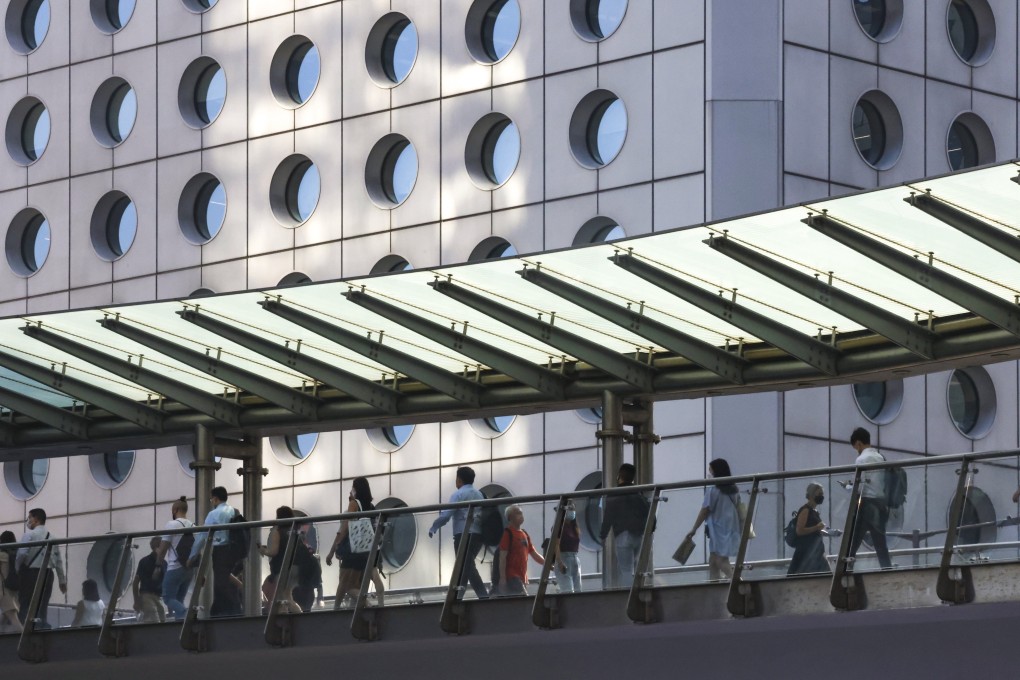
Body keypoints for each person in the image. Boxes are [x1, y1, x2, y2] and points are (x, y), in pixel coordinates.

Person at [428, 466, 488, 600]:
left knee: (466, 565)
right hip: (478, 536)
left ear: (459, 480)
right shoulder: (479, 494)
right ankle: (458, 596)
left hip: (463, 535)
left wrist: (434, 527)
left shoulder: (458, 494)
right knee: (465, 566)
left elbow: (447, 515)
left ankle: (483, 597)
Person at [189, 486, 243, 617]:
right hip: (235, 551)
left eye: (211, 499)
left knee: (221, 583)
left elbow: (202, 536)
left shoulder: (213, 514)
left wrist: (192, 555)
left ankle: (224, 612)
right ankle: (228, 610)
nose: (211, 501)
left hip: (221, 550)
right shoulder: (234, 511)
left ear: (215, 499)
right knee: (226, 581)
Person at [326, 477, 379, 608]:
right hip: (366, 551)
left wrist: (336, 546)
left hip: (353, 550)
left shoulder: (354, 504)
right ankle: (343, 608)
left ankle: (365, 604)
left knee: (346, 585)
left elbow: (345, 526)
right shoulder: (371, 507)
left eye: (353, 487)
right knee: (354, 584)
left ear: (356, 489)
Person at [686, 459, 741, 580]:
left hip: (718, 529)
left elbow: (705, 510)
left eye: (710, 470)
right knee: (713, 560)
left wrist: (694, 529)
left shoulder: (713, 490)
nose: (709, 473)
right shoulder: (734, 490)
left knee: (720, 560)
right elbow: (738, 507)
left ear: (717, 472)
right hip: (731, 528)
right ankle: (715, 585)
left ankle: (737, 583)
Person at [848, 427, 892, 570]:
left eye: (856, 447)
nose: (857, 450)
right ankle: (887, 569)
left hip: (866, 503)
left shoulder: (861, 459)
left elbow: (859, 485)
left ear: (859, 443)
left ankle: (847, 570)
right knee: (880, 543)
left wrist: (849, 488)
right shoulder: (881, 457)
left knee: (853, 541)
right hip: (880, 504)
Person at [599, 463, 650, 585]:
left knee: (626, 570)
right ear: (633, 477)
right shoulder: (638, 493)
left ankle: (629, 595)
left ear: (619, 476)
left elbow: (608, 517)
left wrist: (603, 535)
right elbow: (648, 512)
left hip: (622, 535)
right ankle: (639, 590)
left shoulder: (614, 494)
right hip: (639, 535)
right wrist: (651, 528)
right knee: (636, 568)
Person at [16, 508, 66, 627]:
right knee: (42, 603)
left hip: (30, 573)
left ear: (36, 519)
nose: (28, 521)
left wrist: (17, 568)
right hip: (48, 574)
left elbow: (22, 554)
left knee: (25, 603)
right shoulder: (52, 537)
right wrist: (62, 580)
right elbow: (58, 561)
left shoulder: (29, 535)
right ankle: (41, 627)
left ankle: (23, 629)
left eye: (29, 518)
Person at [157, 496, 194, 620]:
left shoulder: (171, 524)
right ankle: (181, 623)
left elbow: (162, 549)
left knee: (167, 597)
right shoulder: (193, 525)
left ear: (175, 510)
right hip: (189, 569)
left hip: (174, 567)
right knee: (179, 599)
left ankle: (185, 613)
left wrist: (158, 565)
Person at [495, 505, 545, 596]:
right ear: (510, 517)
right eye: (518, 513)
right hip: (512, 577)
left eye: (521, 512)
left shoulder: (524, 534)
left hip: (522, 578)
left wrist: (549, 564)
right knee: (524, 600)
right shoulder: (508, 533)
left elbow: (534, 553)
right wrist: (502, 578)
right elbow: (502, 558)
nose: (521, 515)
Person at [259, 505, 300, 614]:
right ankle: (285, 620)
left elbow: (273, 552)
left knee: (285, 596)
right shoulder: (294, 530)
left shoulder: (278, 531)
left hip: (283, 568)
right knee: (285, 596)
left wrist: (263, 551)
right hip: (296, 567)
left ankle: (301, 618)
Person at [787, 483, 830, 575]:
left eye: (822, 494)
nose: (821, 496)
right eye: (819, 494)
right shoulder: (805, 510)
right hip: (807, 552)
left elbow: (813, 531)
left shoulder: (814, 511)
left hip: (815, 550)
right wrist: (817, 527)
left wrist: (826, 532)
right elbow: (800, 531)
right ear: (811, 495)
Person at [133, 536, 166, 623]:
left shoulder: (163, 563)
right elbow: (136, 582)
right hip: (147, 595)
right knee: (153, 620)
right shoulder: (145, 561)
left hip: (158, 596)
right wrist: (136, 601)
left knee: (162, 620)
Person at [554, 501, 582, 593]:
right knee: (568, 591)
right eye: (570, 509)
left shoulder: (574, 527)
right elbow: (556, 544)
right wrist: (559, 562)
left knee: (578, 590)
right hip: (563, 558)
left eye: (573, 509)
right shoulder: (558, 527)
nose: (572, 511)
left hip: (574, 558)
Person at [0, 530, 22, 633]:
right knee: (5, 618)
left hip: (3, 590)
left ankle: (26, 644)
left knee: (14, 620)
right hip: (13, 590)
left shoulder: (2, 554)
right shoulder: (16, 553)